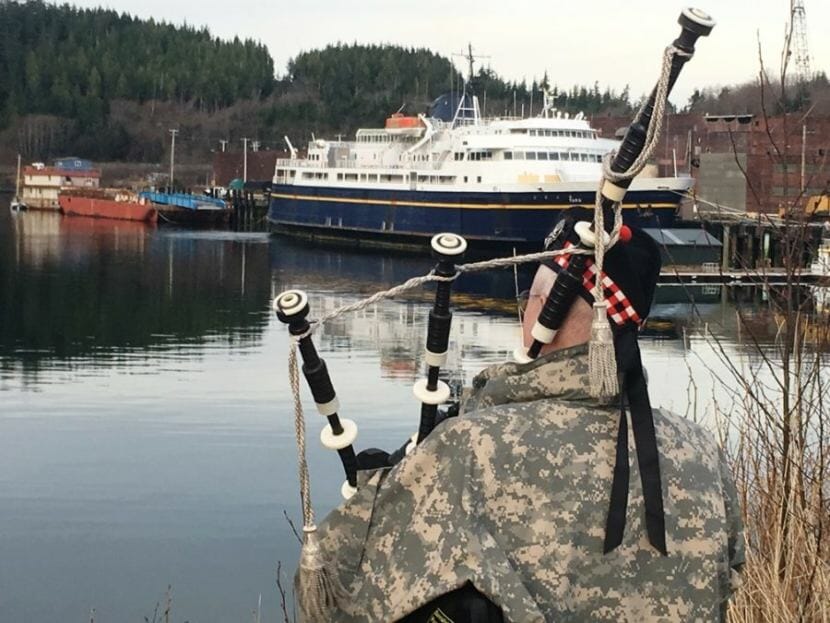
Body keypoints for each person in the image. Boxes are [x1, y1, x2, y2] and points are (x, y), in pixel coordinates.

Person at [309, 210, 745, 622]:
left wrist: (380, 493)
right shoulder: (702, 451)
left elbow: (332, 592)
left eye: (527, 299)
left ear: (541, 308)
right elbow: (730, 578)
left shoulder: (471, 448)